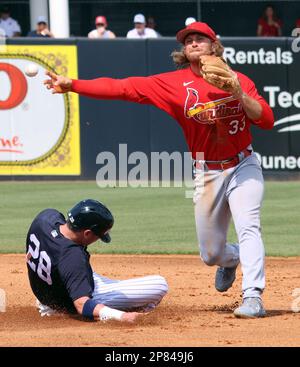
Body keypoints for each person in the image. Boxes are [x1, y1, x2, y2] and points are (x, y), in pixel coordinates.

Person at [44, 21, 274, 318]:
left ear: (214, 45)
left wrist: (239, 93)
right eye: (188, 39)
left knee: (249, 226)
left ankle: (253, 296)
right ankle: (231, 260)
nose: (192, 42)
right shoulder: (172, 84)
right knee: (211, 254)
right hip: (207, 172)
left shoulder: (239, 79)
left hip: (243, 164)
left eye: (200, 38)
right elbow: (122, 87)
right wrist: (73, 85)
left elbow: (266, 119)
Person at [26, 199, 168, 322]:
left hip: (48, 289)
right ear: (87, 233)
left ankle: (52, 302)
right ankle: (73, 311)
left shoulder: (45, 217)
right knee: (160, 284)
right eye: (98, 236)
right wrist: (121, 316)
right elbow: (82, 304)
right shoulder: (72, 257)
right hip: (68, 300)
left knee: (76, 269)